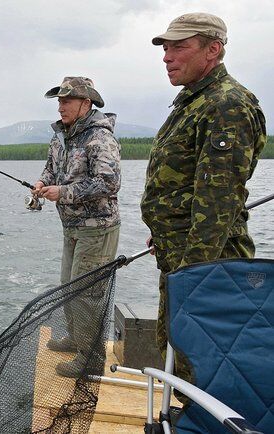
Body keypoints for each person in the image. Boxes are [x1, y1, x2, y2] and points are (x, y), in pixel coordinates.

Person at [140, 13, 266, 383]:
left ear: (213, 49)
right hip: (181, 254)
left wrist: (194, 276)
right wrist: (164, 229)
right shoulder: (194, 101)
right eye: (165, 48)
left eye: (179, 47)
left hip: (206, 266)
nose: (167, 56)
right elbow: (188, 184)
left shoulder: (226, 105)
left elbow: (218, 202)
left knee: (203, 362)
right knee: (179, 355)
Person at [33, 76, 121, 377]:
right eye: (59, 101)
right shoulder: (61, 137)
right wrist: (43, 182)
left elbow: (109, 183)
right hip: (71, 227)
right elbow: (50, 168)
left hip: (97, 229)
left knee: (87, 293)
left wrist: (64, 193)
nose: (60, 106)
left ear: (86, 103)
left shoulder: (100, 137)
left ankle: (91, 358)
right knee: (69, 287)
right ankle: (76, 338)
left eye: (66, 100)